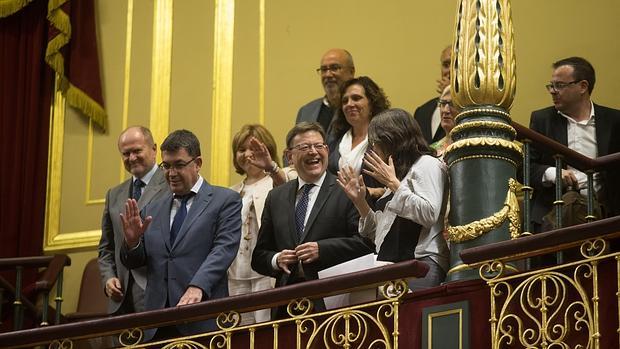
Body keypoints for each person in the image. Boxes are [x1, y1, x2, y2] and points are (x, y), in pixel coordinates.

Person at [120, 129, 241, 341]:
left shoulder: (224, 200)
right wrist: (132, 243)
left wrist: (198, 286)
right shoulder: (151, 210)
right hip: (158, 322)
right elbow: (137, 261)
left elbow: (223, 249)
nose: (171, 173)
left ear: (198, 163)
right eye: (166, 166)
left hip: (202, 315)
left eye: (179, 165)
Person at [251, 122, 373, 318]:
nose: (313, 152)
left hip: (333, 302)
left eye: (319, 146)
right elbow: (259, 257)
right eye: (305, 147)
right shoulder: (276, 197)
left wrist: (322, 249)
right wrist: (276, 259)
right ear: (289, 156)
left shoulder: (346, 189)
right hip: (286, 306)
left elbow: (366, 243)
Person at [337, 109, 450, 291]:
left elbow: (429, 214)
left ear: (391, 139)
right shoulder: (398, 175)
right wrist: (360, 202)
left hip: (421, 264)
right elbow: (381, 236)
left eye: (375, 142)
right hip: (393, 268)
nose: (373, 149)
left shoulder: (427, 164)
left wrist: (393, 184)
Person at [529, 57, 620, 232]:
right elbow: (524, 168)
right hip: (556, 214)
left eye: (560, 85)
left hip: (606, 215)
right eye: (551, 86)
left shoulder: (614, 120)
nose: (553, 91)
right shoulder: (542, 120)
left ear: (583, 87)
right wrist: (552, 173)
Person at [98, 126, 170, 315]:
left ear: (154, 149)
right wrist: (108, 278)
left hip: (160, 294)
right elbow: (106, 247)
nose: (132, 158)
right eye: (126, 153)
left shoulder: (172, 184)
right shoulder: (113, 194)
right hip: (120, 298)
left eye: (137, 151)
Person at [229, 124, 295, 325]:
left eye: (253, 149)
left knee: (267, 332)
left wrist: (271, 168)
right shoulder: (231, 192)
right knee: (238, 334)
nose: (248, 154)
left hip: (268, 271)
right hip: (236, 274)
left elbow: (290, 194)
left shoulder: (284, 175)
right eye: (241, 150)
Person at [328, 76, 391, 177]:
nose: (349, 104)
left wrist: (371, 192)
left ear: (372, 103)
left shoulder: (386, 139)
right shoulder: (336, 140)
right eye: (345, 101)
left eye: (356, 98)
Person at [296, 48, 356, 135]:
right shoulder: (305, 112)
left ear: (351, 71)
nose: (328, 75)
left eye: (334, 68)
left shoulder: (359, 110)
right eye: (324, 70)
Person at [414, 45, 452, 145]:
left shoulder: (470, 109)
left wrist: (452, 92)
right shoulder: (422, 112)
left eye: (455, 64)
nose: (449, 70)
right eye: (446, 65)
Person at [430, 86, 460, 158]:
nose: (445, 110)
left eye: (452, 104)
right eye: (443, 104)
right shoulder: (432, 149)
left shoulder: (471, 144)